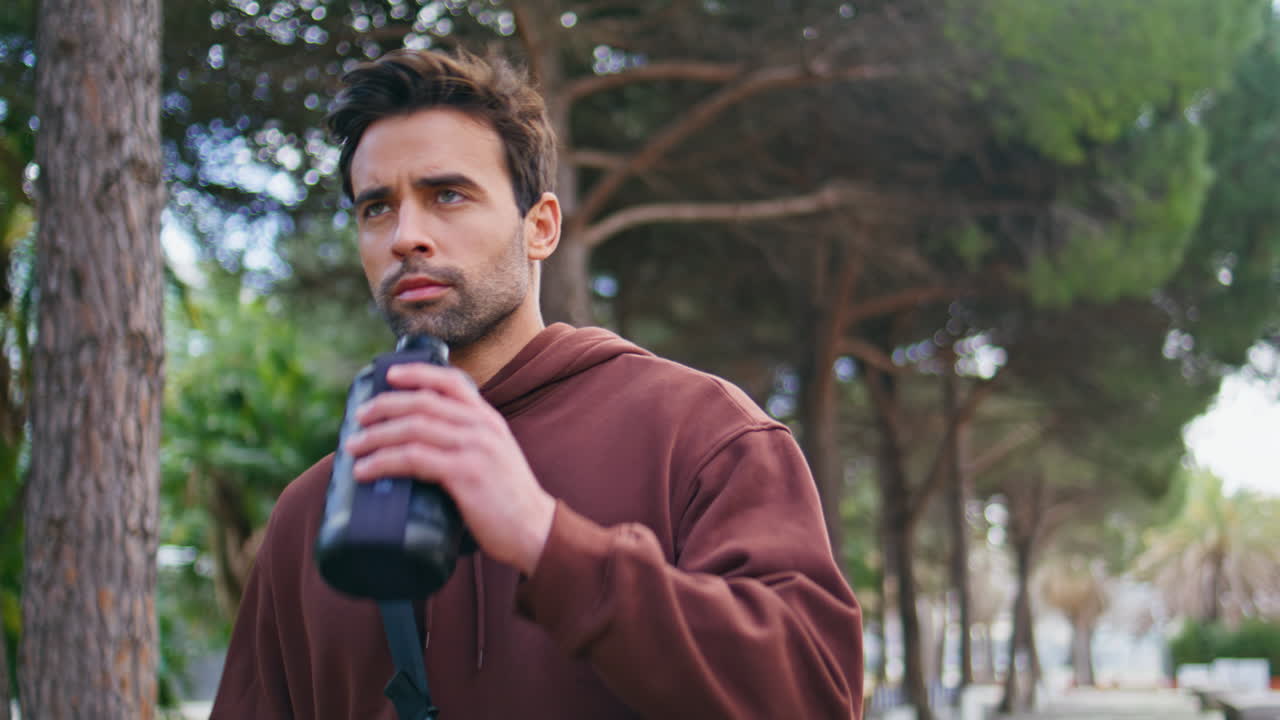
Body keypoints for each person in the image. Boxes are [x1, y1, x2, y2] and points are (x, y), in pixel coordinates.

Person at [211, 48, 864, 720]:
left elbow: (815, 697)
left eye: (448, 195)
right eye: (377, 208)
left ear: (541, 227)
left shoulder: (702, 436)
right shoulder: (306, 514)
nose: (407, 236)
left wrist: (544, 537)